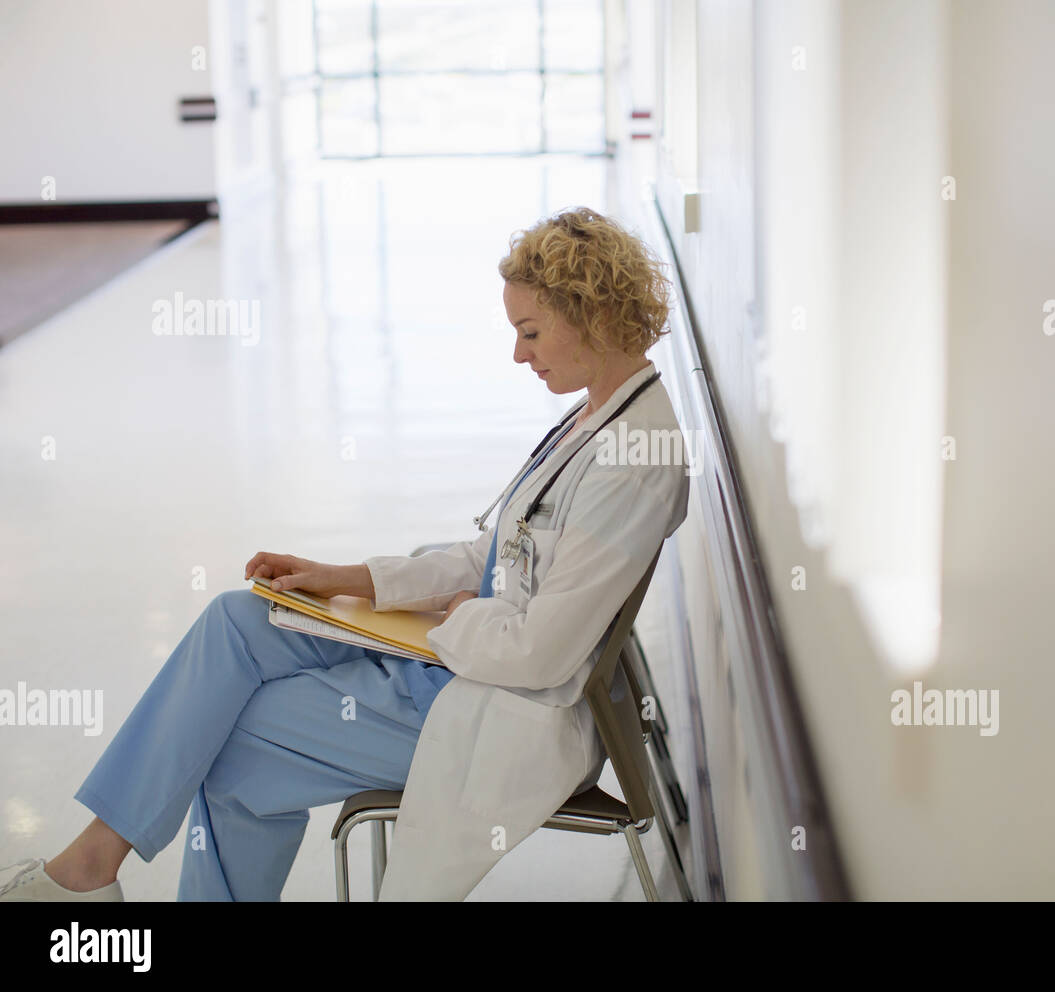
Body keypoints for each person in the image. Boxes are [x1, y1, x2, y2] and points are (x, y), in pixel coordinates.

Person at [0, 205, 688, 901]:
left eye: (530, 332)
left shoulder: (631, 461)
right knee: (238, 619)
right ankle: (86, 867)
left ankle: (83, 875)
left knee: (234, 746)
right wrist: (342, 580)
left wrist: (458, 616)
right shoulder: (600, 413)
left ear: (591, 313)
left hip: (500, 708)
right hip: (463, 659)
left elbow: (543, 655)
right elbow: (492, 552)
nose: (519, 354)